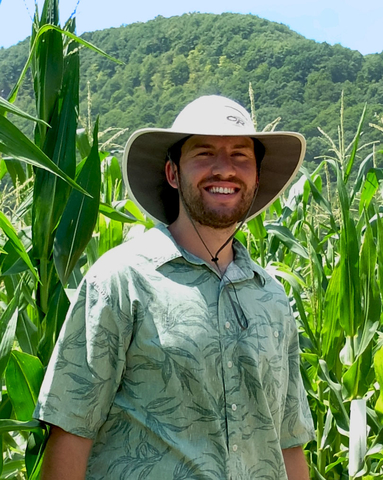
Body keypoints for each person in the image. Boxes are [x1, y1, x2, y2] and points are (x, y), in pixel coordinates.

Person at [35, 95, 315, 480]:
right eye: (204, 153)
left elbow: (288, 441)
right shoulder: (121, 281)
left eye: (240, 155)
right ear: (172, 173)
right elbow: (71, 430)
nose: (224, 169)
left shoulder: (272, 297)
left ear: (256, 177)